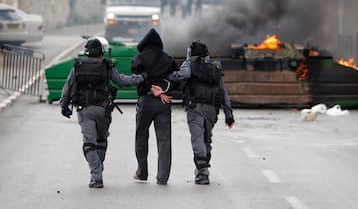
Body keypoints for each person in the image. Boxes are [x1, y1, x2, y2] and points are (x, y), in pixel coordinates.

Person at [60, 37, 147, 189]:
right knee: (101, 142)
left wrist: (64, 105)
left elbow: (67, 87)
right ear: (101, 52)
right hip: (103, 110)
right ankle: (98, 170)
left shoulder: (78, 67)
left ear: (87, 53)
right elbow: (122, 81)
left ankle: (96, 176)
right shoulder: (107, 66)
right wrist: (141, 78)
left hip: (84, 110)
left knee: (89, 144)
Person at [160, 40, 235, 185]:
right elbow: (224, 92)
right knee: (207, 139)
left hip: (195, 108)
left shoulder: (190, 65)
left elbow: (180, 76)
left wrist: (165, 74)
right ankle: (203, 168)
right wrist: (229, 115)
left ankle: (202, 172)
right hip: (212, 110)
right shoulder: (215, 68)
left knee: (197, 139)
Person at [130, 28, 178, 185]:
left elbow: (139, 76)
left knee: (141, 136)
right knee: (164, 140)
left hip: (146, 101)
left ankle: (142, 172)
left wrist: (150, 88)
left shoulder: (139, 59)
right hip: (164, 102)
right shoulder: (168, 59)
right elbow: (177, 79)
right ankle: (162, 177)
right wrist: (165, 91)